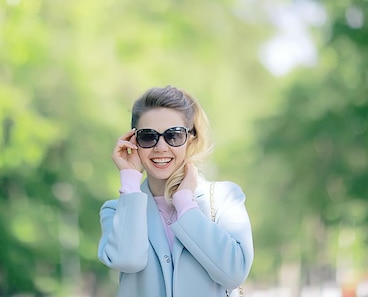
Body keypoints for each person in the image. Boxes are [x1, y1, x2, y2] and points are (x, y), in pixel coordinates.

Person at [98, 85, 254, 297]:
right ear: (133, 141)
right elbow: (128, 260)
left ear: (191, 138)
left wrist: (184, 203)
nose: (161, 147)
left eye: (173, 135)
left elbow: (234, 273)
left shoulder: (225, 197)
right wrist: (130, 177)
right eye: (147, 136)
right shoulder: (116, 211)